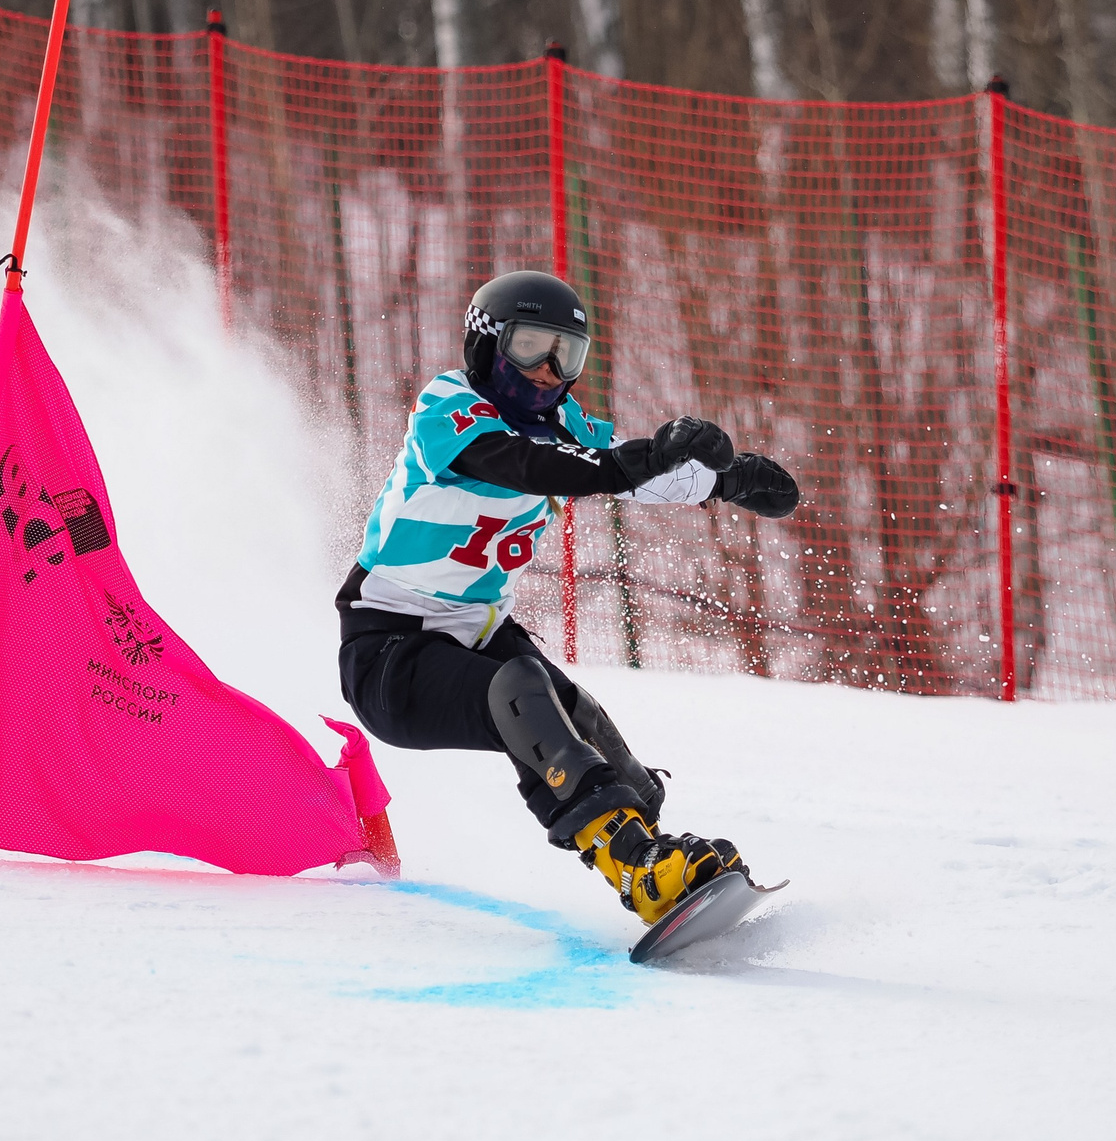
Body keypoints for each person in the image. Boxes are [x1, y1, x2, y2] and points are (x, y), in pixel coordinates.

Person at [336, 270, 799, 925]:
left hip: (477, 629)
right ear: (486, 345)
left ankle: (655, 847)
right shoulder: (450, 405)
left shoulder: (566, 423)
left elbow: (637, 472)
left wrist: (726, 479)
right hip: (388, 651)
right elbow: (525, 464)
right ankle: (637, 869)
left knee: (592, 734)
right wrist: (633, 461)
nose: (549, 371)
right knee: (520, 690)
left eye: (567, 355)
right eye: (531, 347)